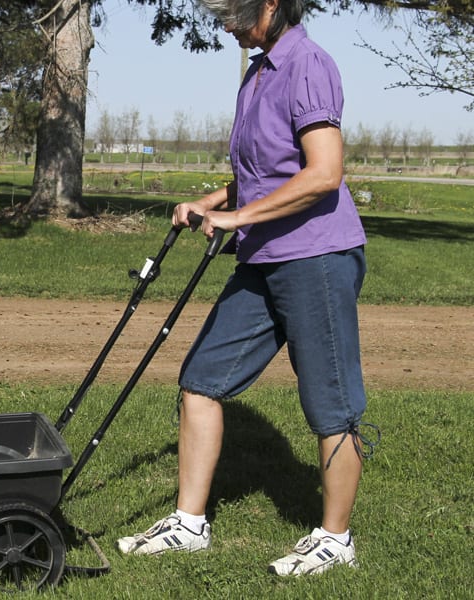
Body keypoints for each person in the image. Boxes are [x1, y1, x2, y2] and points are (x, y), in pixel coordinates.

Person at [116, 0, 378, 576]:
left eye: (235, 12)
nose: (226, 24)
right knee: (201, 380)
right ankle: (189, 524)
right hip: (264, 256)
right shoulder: (259, 72)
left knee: (331, 406)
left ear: (272, 4)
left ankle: (336, 538)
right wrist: (210, 203)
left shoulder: (308, 64)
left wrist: (237, 219)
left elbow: (324, 172)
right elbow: (263, 175)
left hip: (317, 256)